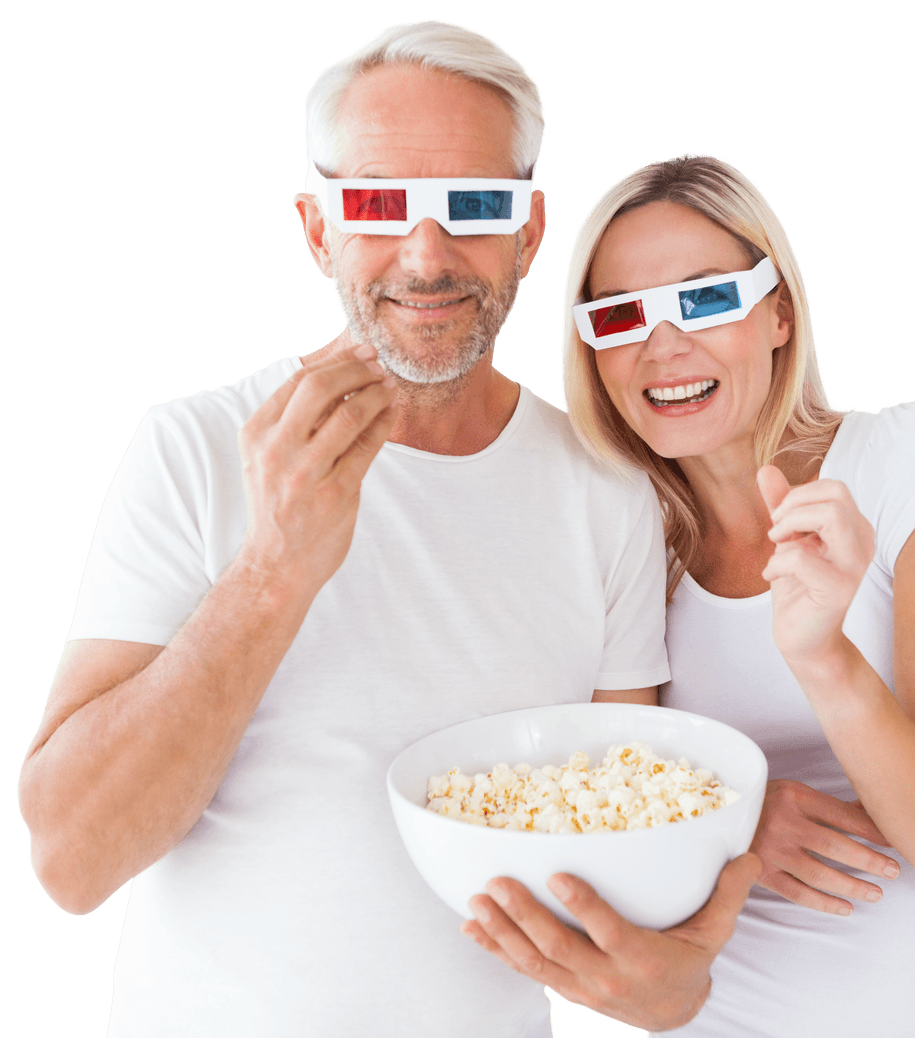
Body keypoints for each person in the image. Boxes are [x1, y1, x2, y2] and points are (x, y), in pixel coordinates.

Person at [16, 25, 759, 1038]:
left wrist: (671, 981)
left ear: (529, 231)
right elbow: (71, 858)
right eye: (375, 204)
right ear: (318, 227)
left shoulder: (607, 490)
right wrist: (272, 573)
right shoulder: (192, 448)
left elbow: (619, 851)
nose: (427, 256)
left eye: (474, 206)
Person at [465, 153, 915, 1035]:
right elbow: (598, 832)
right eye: (621, 314)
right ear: (592, 349)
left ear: (779, 311)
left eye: (705, 299)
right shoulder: (621, 549)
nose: (664, 347)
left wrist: (825, 657)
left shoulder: (912, 465)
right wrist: (734, 822)